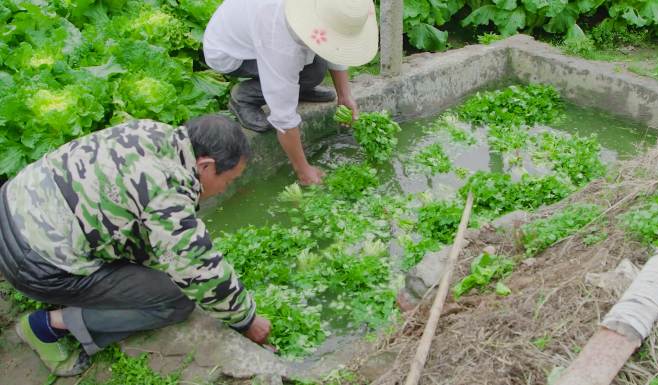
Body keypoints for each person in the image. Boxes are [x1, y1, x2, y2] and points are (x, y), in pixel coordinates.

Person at [0, 116, 271, 376]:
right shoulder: (167, 191)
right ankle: (47, 326)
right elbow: (198, 270)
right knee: (176, 300)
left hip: (12, 209)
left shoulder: (154, 133)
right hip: (32, 264)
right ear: (206, 166)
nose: (225, 188)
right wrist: (247, 320)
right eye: (229, 180)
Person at [203, 0, 378, 185]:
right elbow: (284, 119)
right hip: (230, 52)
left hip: (255, 30)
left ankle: (299, 87)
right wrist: (303, 170)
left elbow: (337, 47)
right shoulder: (279, 39)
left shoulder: (321, 8)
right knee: (302, 75)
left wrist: (345, 95)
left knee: (316, 69)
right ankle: (244, 97)